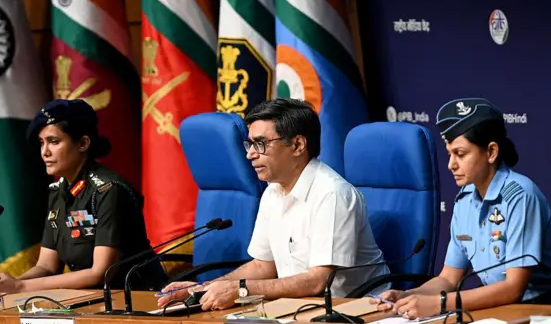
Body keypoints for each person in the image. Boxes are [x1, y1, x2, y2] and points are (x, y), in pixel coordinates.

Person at [157, 98, 389, 311]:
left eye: (260, 143)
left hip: (354, 311)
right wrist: (203, 288)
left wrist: (241, 289)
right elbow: (263, 266)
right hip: (300, 308)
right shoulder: (272, 192)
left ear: (297, 145)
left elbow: (318, 281)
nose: (250, 155)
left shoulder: (332, 194)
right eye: (250, 144)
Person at [371, 98, 551, 319]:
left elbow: (513, 288)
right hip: (502, 307)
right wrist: (407, 296)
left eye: (460, 154)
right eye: (449, 153)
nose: (451, 164)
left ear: (491, 152)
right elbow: (449, 278)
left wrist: (440, 303)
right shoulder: (464, 200)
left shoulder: (520, 196)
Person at [0, 99, 168, 295]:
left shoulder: (109, 191)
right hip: (94, 299)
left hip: (140, 298)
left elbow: (100, 273)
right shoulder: (58, 191)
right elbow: (47, 266)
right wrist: (8, 285)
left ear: (83, 143)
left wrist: (20, 287)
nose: (45, 152)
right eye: (42, 142)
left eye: (54, 141)